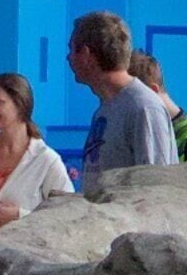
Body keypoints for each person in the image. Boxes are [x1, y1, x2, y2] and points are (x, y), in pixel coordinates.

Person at [66, 11, 175, 183]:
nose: (68, 58)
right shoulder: (105, 109)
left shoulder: (144, 108)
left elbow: (156, 185)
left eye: (71, 50)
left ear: (86, 55)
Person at [0, 72, 70, 230]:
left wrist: (19, 217)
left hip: (21, 252)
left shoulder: (46, 160)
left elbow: (68, 216)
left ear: (19, 104)